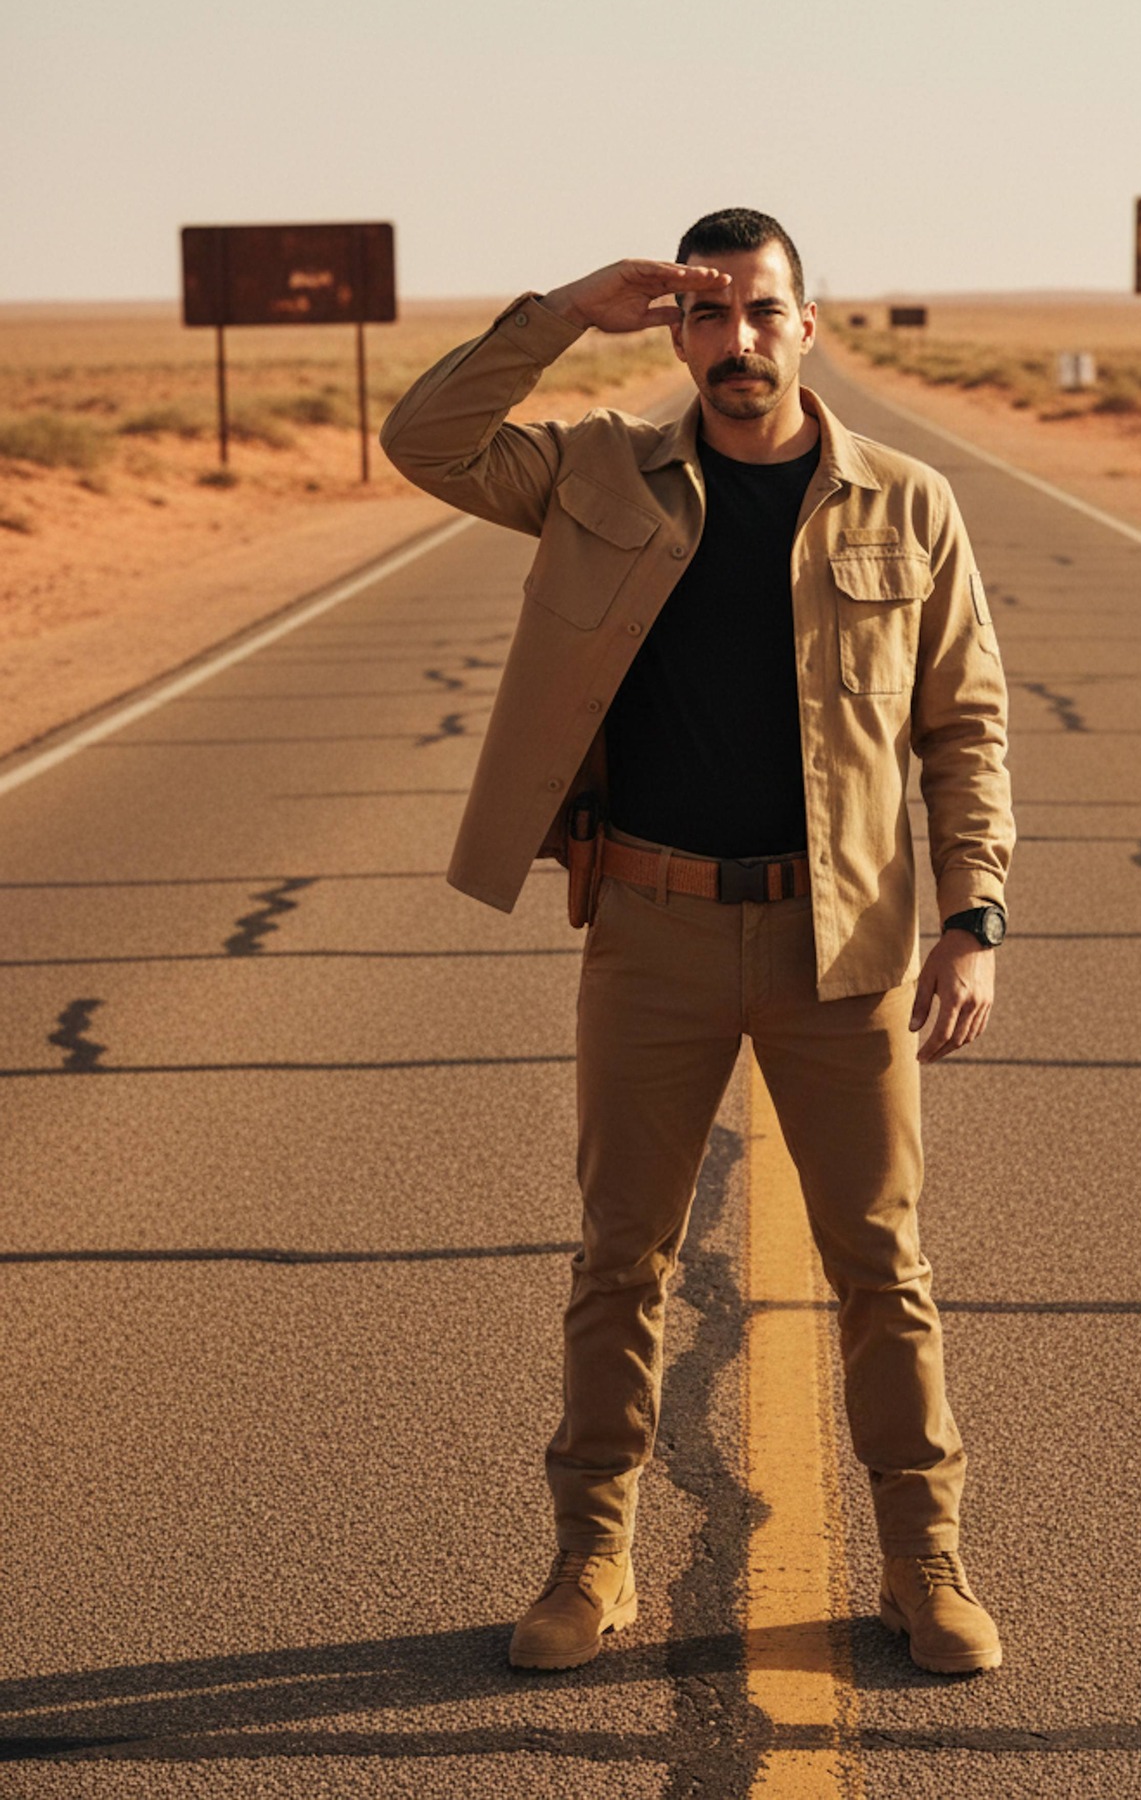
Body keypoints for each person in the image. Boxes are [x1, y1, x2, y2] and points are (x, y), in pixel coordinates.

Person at [380, 207, 1015, 1675]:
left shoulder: (906, 505)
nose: (737, 346)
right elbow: (427, 439)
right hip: (651, 932)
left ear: (808, 324)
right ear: (678, 332)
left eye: (763, 315)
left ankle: (926, 1561)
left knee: (882, 1266)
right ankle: (589, 1558)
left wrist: (973, 916)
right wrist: (560, 310)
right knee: (623, 1261)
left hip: (839, 943)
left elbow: (963, 726)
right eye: (708, 318)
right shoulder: (595, 469)